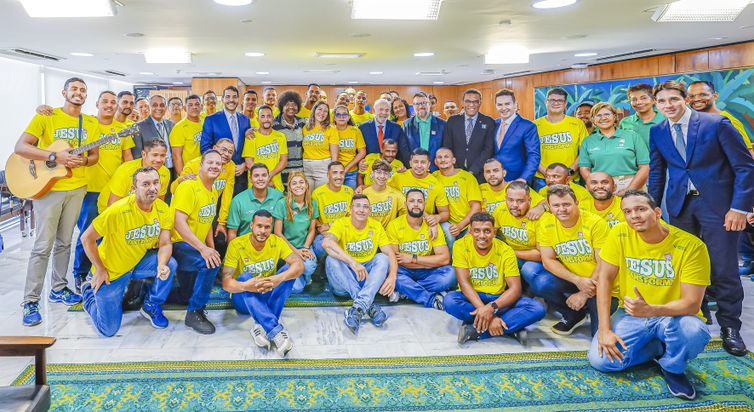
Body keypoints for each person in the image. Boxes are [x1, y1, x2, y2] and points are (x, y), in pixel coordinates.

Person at [648, 80, 754, 356]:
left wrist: (739, 208)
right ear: (656, 105)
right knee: (686, 269)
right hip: (680, 207)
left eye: (673, 99)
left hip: (719, 208)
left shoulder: (716, 124)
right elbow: (658, 173)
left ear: (685, 99)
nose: (668, 105)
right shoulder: (657, 131)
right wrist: (652, 208)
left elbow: (744, 168)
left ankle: (730, 328)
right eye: (662, 102)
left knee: (723, 268)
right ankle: (698, 319)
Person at [589, 190, 711, 400]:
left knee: (693, 331)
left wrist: (652, 310)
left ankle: (673, 367)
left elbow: (692, 304)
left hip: (675, 316)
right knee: (601, 361)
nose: (634, 215)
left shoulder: (691, 246)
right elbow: (604, 281)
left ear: (657, 212)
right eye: (627, 211)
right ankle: (658, 348)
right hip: (631, 315)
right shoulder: (619, 233)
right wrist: (604, 328)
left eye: (641, 209)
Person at [15, 77, 99, 326]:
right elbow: (21, 147)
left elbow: (93, 156)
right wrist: (54, 155)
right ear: (64, 92)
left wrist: (81, 161)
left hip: (77, 187)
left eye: (83, 90)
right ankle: (30, 300)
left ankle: (58, 288)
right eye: (74, 88)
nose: (79, 93)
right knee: (43, 245)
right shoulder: (46, 116)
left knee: (65, 242)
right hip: (48, 188)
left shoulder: (90, 123)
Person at [80, 167, 177, 336]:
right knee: (108, 330)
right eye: (145, 184)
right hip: (111, 272)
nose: (152, 188)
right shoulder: (118, 210)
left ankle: (151, 305)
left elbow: (165, 243)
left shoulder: (163, 209)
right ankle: (88, 293)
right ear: (133, 189)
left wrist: (161, 265)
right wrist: (100, 269)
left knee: (170, 263)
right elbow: (86, 238)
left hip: (137, 263)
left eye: (156, 183)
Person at [444, 212, 546, 345]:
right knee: (450, 301)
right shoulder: (460, 246)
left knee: (537, 308)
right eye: (477, 231)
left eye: (487, 231)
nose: (482, 236)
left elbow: (515, 289)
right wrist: (485, 311)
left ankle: (475, 330)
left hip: (499, 300)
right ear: (470, 231)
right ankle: (508, 327)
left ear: (494, 232)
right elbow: (464, 283)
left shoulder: (505, 250)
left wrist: (490, 309)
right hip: (474, 298)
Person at [71, 91, 135, 292]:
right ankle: (80, 273)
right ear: (97, 103)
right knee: (88, 233)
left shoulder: (122, 129)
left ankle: (106, 269)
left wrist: (134, 183)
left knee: (113, 233)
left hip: (116, 191)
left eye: (113, 102)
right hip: (91, 189)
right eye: (105, 101)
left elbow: (128, 158)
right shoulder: (87, 124)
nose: (109, 105)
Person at [221, 209, 304, 356]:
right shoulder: (236, 244)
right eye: (259, 226)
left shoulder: (276, 241)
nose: (263, 231)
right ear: (251, 225)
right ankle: (275, 331)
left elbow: (299, 265)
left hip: (267, 291)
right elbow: (226, 283)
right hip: (245, 299)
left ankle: (261, 326)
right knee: (245, 276)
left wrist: (277, 279)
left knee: (288, 270)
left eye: (267, 227)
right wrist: (247, 286)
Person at [537, 184, 614, 337]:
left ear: (576, 202)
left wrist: (584, 294)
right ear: (549, 207)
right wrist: (577, 281)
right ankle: (573, 314)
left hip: (603, 285)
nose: (562, 209)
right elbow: (548, 260)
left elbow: (604, 264)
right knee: (541, 281)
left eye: (566, 204)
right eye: (556, 205)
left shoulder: (595, 223)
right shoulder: (546, 224)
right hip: (576, 280)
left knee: (600, 347)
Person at [322, 194, 398, 334]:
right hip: (344, 281)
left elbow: (390, 253)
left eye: (365, 207)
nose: (361, 210)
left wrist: (392, 276)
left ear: (369, 210)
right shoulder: (341, 223)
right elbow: (326, 242)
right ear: (350, 209)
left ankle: (358, 307)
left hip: (366, 280)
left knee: (382, 258)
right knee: (331, 260)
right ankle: (367, 305)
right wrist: (352, 262)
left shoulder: (375, 225)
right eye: (357, 206)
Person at [171, 150, 223, 334]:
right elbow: (178, 223)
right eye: (210, 162)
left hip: (194, 244)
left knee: (186, 293)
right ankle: (195, 312)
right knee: (210, 264)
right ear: (200, 165)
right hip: (177, 244)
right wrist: (203, 249)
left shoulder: (214, 190)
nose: (215, 166)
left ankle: (169, 295)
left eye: (218, 163)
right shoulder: (188, 187)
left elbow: (207, 221)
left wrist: (211, 248)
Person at [387, 189, 454, 309]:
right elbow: (397, 259)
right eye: (412, 201)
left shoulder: (432, 225)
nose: (416, 204)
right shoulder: (394, 225)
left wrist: (413, 259)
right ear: (405, 204)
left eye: (420, 201)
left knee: (451, 274)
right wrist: (429, 261)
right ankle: (430, 299)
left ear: (424, 205)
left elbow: (444, 259)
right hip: (405, 271)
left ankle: (407, 291)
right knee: (395, 277)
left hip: (427, 272)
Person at [171, 138, 236, 255]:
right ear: (215, 148)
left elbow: (227, 195)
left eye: (230, 152)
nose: (226, 154)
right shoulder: (193, 165)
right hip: (188, 216)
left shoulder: (230, 167)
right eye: (224, 150)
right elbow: (175, 190)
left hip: (208, 208)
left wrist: (222, 222)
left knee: (220, 241)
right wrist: (180, 180)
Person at [491, 181, 552, 298]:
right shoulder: (500, 209)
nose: (514, 205)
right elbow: (492, 232)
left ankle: (533, 293)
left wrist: (510, 253)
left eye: (520, 201)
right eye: (510, 200)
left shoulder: (541, 218)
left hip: (535, 260)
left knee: (529, 269)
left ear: (529, 200)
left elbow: (541, 255)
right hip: (513, 255)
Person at [579, 102, 649, 194]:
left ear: (615, 117)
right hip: (601, 187)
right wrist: (597, 186)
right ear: (593, 119)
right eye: (598, 115)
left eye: (607, 114)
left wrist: (630, 189)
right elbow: (584, 168)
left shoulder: (632, 136)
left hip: (632, 184)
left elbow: (644, 166)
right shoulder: (588, 141)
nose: (603, 118)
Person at [533, 88, 589, 190]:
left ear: (565, 103)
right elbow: (530, 153)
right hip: (542, 179)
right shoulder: (534, 125)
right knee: (544, 206)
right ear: (546, 102)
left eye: (560, 100)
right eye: (552, 100)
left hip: (570, 178)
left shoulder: (577, 124)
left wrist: (570, 171)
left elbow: (584, 152)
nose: (556, 103)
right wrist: (546, 173)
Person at [273, 172, 319, 293]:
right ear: (290, 187)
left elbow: (312, 230)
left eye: (301, 182)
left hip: (304, 246)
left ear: (307, 185)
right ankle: (293, 271)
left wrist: (305, 248)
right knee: (296, 289)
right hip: (288, 247)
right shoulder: (282, 204)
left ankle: (299, 273)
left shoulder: (312, 203)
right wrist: (295, 251)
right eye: (294, 183)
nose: (298, 186)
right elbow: (277, 233)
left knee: (309, 267)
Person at [200, 86, 251, 195]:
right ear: (222, 99)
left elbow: (249, 146)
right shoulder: (211, 119)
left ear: (239, 99)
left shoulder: (245, 119)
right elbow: (205, 148)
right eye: (227, 97)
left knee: (239, 208)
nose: (231, 100)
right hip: (219, 175)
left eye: (234, 97)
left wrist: (245, 165)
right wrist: (218, 164)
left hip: (240, 174)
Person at [388, 149, 450, 239]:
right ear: (410, 163)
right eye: (416, 162)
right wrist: (362, 187)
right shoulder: (399, 177)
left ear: (429, 164)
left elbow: (445, 212)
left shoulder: (436, 184)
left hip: (425, 222)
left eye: (423, 162)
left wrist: (437, 218)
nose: (419, 166)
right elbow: (381, 188)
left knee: (448, 230)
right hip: (402, 221)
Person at [98, 140, 170, 213]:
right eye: (155, 155)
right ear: (144, 154)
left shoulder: (165, 172)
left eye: (162, 155)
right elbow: (112, 206)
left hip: (138, 209)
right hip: (110, 209)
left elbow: (159, 202)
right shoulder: (126, 170)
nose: (159, 160)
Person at [433, 148, 482, 252]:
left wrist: (460, 225)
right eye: (439, 157)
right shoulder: (433, 177)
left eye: (446, 156)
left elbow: (476, 207)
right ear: (435, 162)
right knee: (448, 232)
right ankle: (450, 264)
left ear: (453, 160)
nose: (443, 160)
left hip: (467, 223)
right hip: (447, 222)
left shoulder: (467, 177)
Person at [687, 80, 754, 156]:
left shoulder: (729, 121)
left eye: (702, 95)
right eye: (692, 96)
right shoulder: (694, 122)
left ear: (715, 96)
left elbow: (748, 154)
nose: (696, 99)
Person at [442, 88, 496, 182]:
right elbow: (447, 146)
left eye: (475, 101)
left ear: (480, 103)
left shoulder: (489, 122)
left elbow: (488, 150)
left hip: (479, 174)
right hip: (455, 172)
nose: (471, 105)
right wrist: (455, 168)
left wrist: (473, 171)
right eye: (468, 101)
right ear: (462, 103)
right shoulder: (453, 121)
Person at [492, 89, 540, 184]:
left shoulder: (528, 126)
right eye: (499, 105)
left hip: (517, 180)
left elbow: (533, 156)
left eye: (507, 104)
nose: (503, 108)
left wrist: (523, 178)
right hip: (495, 181)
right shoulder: (493, 124)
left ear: (515, 104)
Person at [227, 163, 284, 241]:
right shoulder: (238, 201)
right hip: (245, 247)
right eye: (256, 176)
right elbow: (232, 232)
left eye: (264, 175)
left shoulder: (279, 197)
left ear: (268, 178)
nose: (260, 179)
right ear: (250, 179)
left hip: (272, 248)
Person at [311, 162, 354, 260]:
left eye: (341, 173)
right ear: (328, 175)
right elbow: (314, 218)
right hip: (326, 233)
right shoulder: (318, 193)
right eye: (335, 173)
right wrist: (320, 228)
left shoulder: (349, 191)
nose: (339, 176)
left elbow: (352, 216)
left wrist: (330, 224)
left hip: (345, 231)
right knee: (321, 247)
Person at [242, 105, 288, 191]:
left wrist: (270, 175)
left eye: (269, 116)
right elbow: (249, 163)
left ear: (273, 118)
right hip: (256, 185)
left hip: (276, 185)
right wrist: (264, 179)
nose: (266, 119)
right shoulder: (251, 137)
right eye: (262, 116)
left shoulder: (281, 136)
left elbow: (284, 161)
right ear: (257, 119)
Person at [479, 159, 546, 216]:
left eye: (496, 170)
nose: (492, 174)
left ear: (504, 173)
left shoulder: (516, 187)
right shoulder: (480, 189)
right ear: (484, 175)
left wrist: (540, 207)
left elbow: (545, 201)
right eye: (488, 172)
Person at [399, 93, 446, 170]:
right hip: (413, 170)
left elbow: (445, 148)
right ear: (413, 106)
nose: (421, 106)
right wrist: (412, 166)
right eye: (417, 104)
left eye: (424, 103)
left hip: (436, 170)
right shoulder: (406, 124)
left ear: (429, 104)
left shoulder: (442, 124)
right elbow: (404, 149)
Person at [133, 95, 174, 178]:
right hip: (151, 173)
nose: (158, 108)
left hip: (172, 171)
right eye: (155, 105)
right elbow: (137, 155)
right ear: (149, 107)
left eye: (162, 105)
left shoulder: (171, 125)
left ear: (165, 108)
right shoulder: (139, 127)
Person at [302, 100, 339, 189]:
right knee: (308, 196)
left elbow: (334, 155)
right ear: (314, 110)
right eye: (319, 109)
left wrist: (333, 171)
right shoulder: (305, 128)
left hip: (323, 167)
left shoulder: (331, 129)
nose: (322, 113)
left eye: (325, 111)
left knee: (321, 195)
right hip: (306, 167)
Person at [273, 91, 307, 186]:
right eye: (287, 104)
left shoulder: (302, 122)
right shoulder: (274, 125)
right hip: (282, 171)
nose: (291, 107)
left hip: (300, 170)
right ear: (281, 106)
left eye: (294, 104)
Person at [362, 160, 407, 228]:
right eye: (379, 172)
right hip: (369, 233)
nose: (382, 176)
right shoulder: (364, 194)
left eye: (385, 173)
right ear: (372, 174)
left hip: (388, 234)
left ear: (389, 175)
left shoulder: (395, 194)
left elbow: (409, 209)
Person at [332, 105, 366, 189]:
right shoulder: (330, 130)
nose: (341, 117)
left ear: (348, 117)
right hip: (334, 172)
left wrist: (346, 168)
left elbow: (362, 152)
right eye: (338, 114)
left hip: (351, 172)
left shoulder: (355, 131)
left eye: (344, 114)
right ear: (334, 117)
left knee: (350, 197)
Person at [170, 94, 203, 174]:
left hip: (205, 169)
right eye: (190, 105)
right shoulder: (179, 128)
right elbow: (176, 156)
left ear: (201, 107)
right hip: (190, 172)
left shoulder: (206, 120)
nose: (194, 107)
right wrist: (183, 176)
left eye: (197, 104)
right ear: (185, 108)